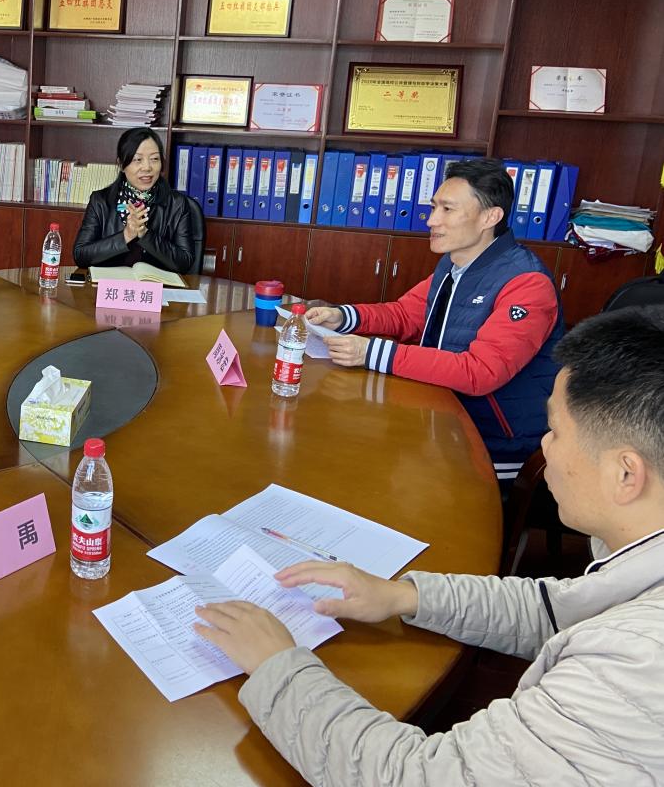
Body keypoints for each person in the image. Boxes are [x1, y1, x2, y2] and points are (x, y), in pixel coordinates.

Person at [194, 305, 664, 785]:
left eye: (556, 431)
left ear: (626, 474)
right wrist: (404, 596)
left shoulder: (634, 666)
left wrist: (276, 667)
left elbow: (418, 776)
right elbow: (557, 609)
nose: (544, 447)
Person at [309, 158, 562, 486]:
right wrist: (344, 316)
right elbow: (405, 315)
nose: (431, 220)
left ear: (490, 217)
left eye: (447, 209)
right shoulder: (454, 264)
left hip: (494, 445)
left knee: (369, 468)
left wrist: (370, 352)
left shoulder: (527, 283)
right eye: (433, 207)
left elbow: (480, 372)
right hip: (442, 419)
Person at [73, 127, 196, 275]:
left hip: (156, 286)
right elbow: (81, 255)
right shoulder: (101, 201)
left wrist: (145, 234)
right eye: (138, 159)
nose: (147, 167)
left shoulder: (177, 204)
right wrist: (127, 235)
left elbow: (185, 262)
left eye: (154, 159)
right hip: (110, 285)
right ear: (121, 165)